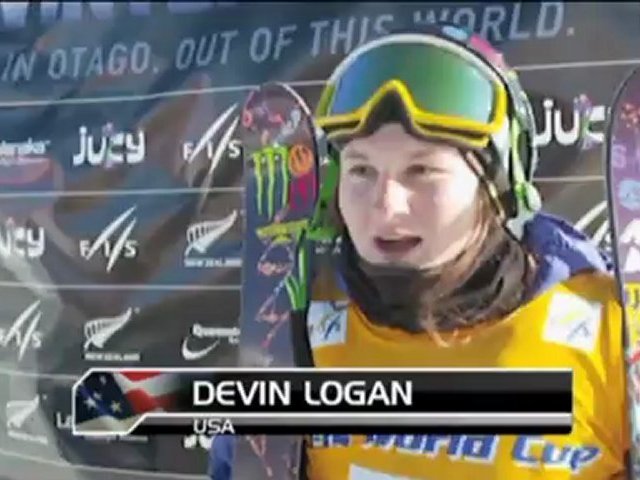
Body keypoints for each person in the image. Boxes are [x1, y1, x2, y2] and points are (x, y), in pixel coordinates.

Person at [210, 24, 628, 479]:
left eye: (422, 171)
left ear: (497, 186)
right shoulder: (291, 330)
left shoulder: (615, 338)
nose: (386, 205)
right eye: (362, 171)